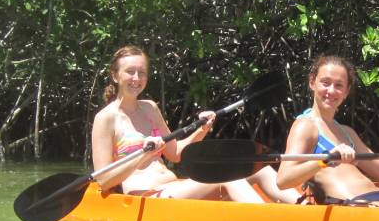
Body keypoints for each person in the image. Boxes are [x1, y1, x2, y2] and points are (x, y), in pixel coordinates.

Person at [92, 45, 300, 203]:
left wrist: (202, 129)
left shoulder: (149, 108)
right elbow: (103, 180)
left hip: (174, 186)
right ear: (115, 75)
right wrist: (142, 156)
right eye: (130, 71)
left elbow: (176, 153)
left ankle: (305, 208)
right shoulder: (106, 118)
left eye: (142, 72)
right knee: (228, 176)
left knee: (257, 169)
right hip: (147, 196)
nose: (136, 78)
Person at [276, 55, 379, 209]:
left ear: (346, 91)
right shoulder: (305, 126)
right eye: (325, 83)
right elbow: (283, 180)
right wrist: (325, 159)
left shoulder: (347, 132)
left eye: (339, 85)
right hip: (352, 204)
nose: (331, 91)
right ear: (312, 82)